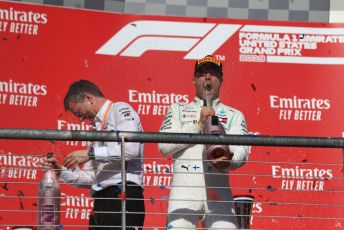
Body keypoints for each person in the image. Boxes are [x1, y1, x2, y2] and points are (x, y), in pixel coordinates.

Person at [158, 55, 250, 229]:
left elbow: (242, 153)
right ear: (194, 80)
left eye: (213, 73)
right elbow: (164, 146)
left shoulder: (234, 115)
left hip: (219, 194)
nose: (207, 77)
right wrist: (199, 125)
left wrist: (229, 161)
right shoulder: (177, 109)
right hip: (184, 192)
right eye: (202, 73)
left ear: (221, 80)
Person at [43, 79, 145, 230]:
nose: (81, 119)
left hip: (124, 194)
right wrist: (60, 172)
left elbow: (130, 150)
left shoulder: (119, 109)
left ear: (89, 98)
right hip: (101, 201)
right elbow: (91, 177)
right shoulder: (94, 129)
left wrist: (91, 153)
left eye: (79, 113)